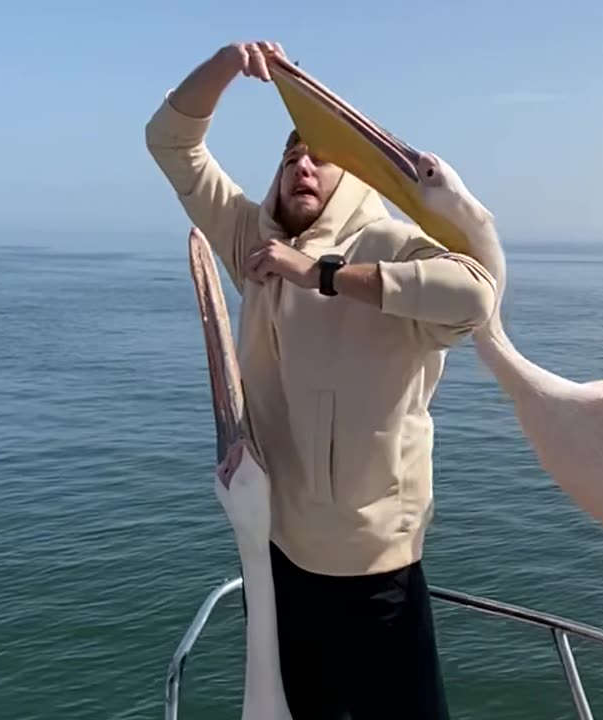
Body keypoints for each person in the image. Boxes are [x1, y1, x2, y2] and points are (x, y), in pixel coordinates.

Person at [145, 40, 496, 719]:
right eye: (288, 156)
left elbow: (476, 297)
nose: (301, 163)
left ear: (355, 177)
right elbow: (170, 144)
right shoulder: (251, 237)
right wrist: (226, 65)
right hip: (281, 561)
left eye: (319, 156)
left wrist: (322, 275)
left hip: (378, 576)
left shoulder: (389, 247)